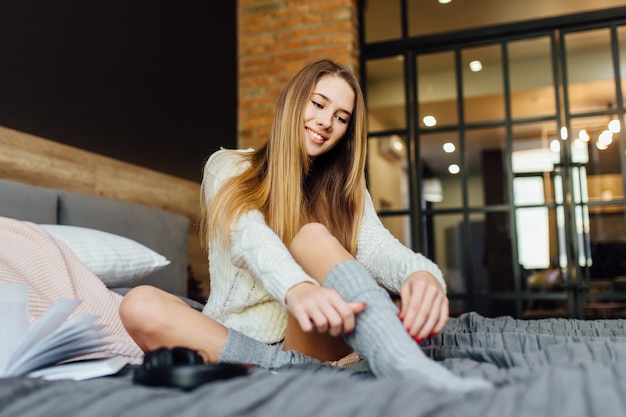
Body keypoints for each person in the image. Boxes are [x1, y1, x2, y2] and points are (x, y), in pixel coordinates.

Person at [119, 59, 490, 392]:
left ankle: (398, 361)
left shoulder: (347, 185)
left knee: (312, 235)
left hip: (314, 332)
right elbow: (249, 238)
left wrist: (420, 274)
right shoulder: (228, 166)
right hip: (239, 340)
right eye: (318, 104)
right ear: (294, 101)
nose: (327, 122)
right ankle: (296, 372)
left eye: (342, 117)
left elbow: (376, 246)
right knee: (139, 304)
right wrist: (296, 288)